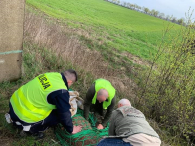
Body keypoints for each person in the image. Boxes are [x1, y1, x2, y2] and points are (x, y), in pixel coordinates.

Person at [5, 69, 82, 138]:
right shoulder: (61, 91)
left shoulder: (51, 74)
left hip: (14, 103)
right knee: (58, 116)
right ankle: (31, 129)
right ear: (69, 82)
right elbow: (64, 113)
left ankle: (13, 117)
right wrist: (71, 129)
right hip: (23, 115)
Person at [97, 99, 161, 146]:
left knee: (103, 143)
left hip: (137, 141)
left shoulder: (117, 111)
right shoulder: (140, 113)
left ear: (120, 105)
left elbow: (111, 134)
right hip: (156, 141)